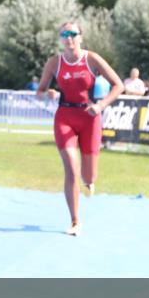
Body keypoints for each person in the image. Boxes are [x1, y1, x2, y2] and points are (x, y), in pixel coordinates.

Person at [36, 22, 123, 237]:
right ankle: (75, 220)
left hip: (90, 117)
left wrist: (101, 105)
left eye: (73, 34)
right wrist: (49, 93)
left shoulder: (91, 59)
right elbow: (40, 90)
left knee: (88, 174)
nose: (69, 38)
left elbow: (118, 85)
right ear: (60, 38)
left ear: (81, 37)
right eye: (65, 34)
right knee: (71, 169)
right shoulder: (54, 62)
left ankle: (90, 181)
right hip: (65, 117)